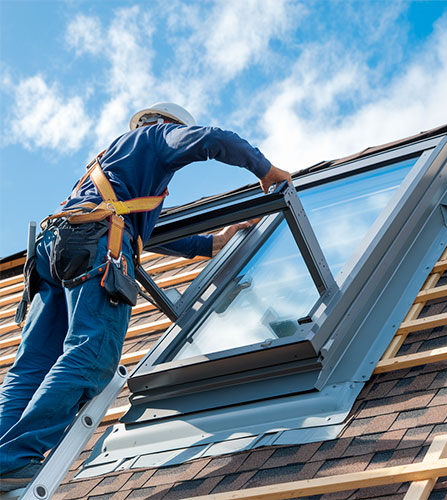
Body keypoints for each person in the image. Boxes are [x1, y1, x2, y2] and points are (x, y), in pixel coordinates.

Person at [0, 102, 292, 491]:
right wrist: (266, 170)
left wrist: (209, 245)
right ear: (169, 125)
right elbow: (214, 140)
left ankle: (3, 458)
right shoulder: (154, 139)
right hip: (91, 244)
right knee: (92, 354)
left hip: (52, 248)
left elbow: (143, 231)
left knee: (31, 366)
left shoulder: (114, 163)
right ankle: (16, 460)